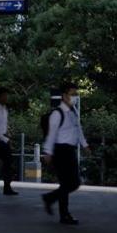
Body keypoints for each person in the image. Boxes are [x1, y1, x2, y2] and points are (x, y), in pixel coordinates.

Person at [41, 81, 92, 224]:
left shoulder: (73, 111)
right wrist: (47, 152)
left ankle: (50, 199)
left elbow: (78, 130)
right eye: (72, 94)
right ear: (64, 96)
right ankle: (64, 214)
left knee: (73, 183)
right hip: (60, 151)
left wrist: (85, 145)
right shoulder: (57, 114)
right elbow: (51, 134)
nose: (75, 96)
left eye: (76, 94)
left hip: (70, 151)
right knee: (68, 183)